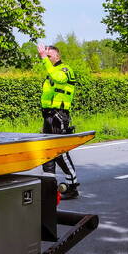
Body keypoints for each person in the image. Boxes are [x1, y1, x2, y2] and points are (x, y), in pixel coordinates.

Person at [38, 43, 80, 199]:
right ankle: (49, 186)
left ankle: (72, 186)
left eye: (49, 56)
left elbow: (58, 78)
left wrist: (43, 58)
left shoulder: (65, 70)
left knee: (60, 152)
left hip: (59, 115)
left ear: (57, 56)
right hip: (48, 116)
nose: (46, 59)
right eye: (45, 56)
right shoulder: (51, 72)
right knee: (47, 152)